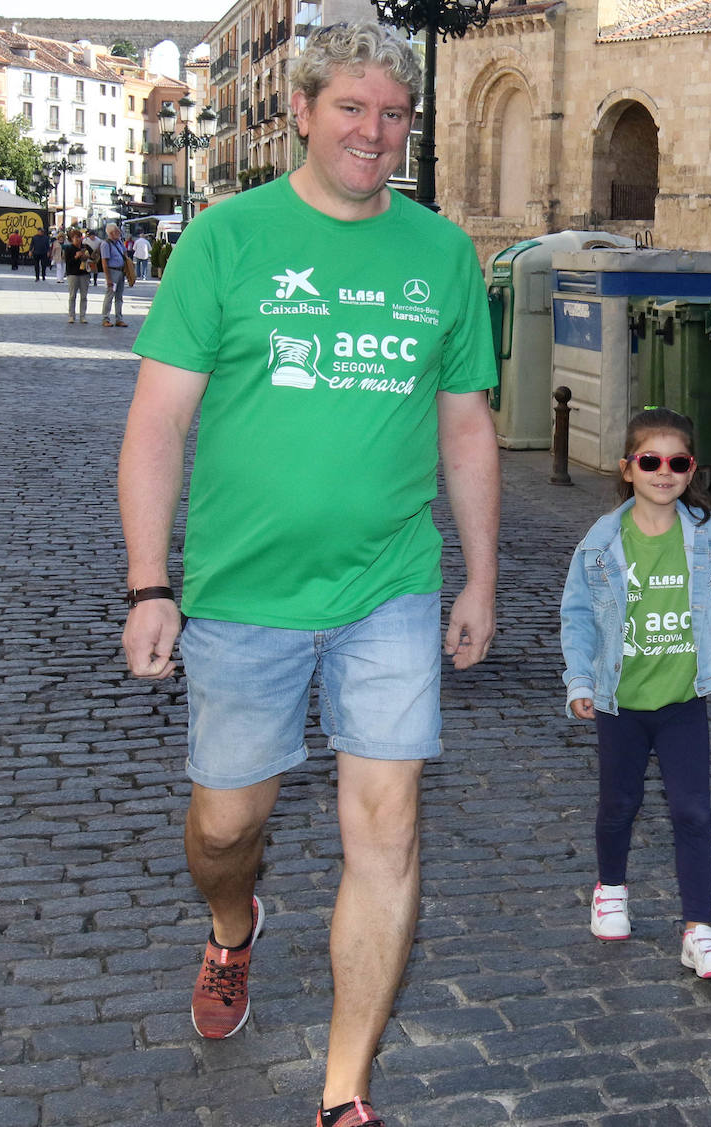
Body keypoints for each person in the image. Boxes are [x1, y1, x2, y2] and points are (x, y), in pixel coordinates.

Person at [117, 21, 499, 1127]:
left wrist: (477, 578)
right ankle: (233, 927)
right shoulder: (228, 241)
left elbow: (467, 426)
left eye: (394, 115)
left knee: (386, 830)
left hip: (389, 586)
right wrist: (153, 584)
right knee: (226, 828)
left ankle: (344, 1090)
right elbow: (156, 425)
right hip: (243, 598)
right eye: (353, 109)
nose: (375, 133)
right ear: (300, 109)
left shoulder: (440, 254)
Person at [561, 408, 711, 980]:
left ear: (691, 471)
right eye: (650, 461)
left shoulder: (706, 537)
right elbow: (577, 617)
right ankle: (610, 889)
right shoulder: (600, 543)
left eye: (677, 462)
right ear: (628, 469)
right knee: (620, 804)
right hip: (620, 702)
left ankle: (699, 928)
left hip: (684, 701)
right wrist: (579, 682)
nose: (663, 472)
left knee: (693, 812)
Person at [101, 222, 129, 327]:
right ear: (112, 232)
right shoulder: (106, 244)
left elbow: (125, 253)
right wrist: (108, 278)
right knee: (109, 295)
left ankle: (119, 318)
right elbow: (104, 262)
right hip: (112, 271)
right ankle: (105, 318)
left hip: (121, 271)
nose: (119, 232)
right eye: (117, 231)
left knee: (119, 296)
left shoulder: (119, 242)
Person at [64, 229, 90, 324]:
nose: (78, 239)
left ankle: (83, 316)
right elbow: (68, 262)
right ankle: (71, 316)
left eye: (79, 237)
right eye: (76, 238)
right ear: (72, 239)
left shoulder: (85, 247)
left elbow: (93, 257)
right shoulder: (69, 248)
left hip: (84, 274)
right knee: (72, 296)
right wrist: (76, 256)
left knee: (84, 296)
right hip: (73, 274)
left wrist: (87, 256)